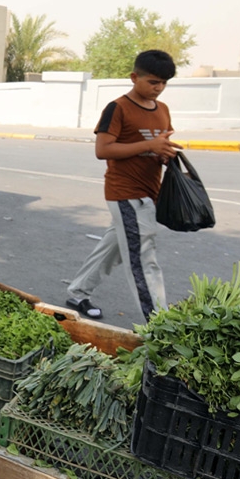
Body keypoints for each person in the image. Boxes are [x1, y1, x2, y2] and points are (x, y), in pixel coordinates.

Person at [66, 49, 180, 322]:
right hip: (126, 193)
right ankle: (161, 323)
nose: (159, 88)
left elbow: (155, 146)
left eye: (164, 83)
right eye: (153, 82)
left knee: (113, 247)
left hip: (150, 191)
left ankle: (77, 292)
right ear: (134, 77)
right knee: (143, 257)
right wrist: (149, 145)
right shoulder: (118, 108)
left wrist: (163, 153)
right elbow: (103, 149)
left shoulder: (162, 110)